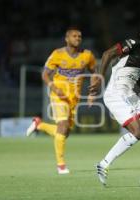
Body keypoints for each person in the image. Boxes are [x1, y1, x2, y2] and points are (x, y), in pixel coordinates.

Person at [91, 13, 140, 187]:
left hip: (129, 94)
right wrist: (99, 77)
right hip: (116, 94)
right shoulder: (133, 43)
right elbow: (107, 54)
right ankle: (103, 164)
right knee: (137, 132)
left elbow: (138, 75)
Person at [26, 27, 98, 174]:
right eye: (74, 36)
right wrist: (54, 87)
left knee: (64, 132)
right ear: (67, 39)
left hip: (74, 98)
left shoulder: (87, 55)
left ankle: (39, 125)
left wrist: (92, 92)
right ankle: (61, 165)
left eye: (79, 36)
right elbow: (45, 74)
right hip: (59, 95)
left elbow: (94, 73)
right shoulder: (57, 54)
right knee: (63, 125)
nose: (77, 38)